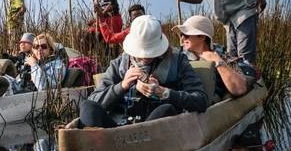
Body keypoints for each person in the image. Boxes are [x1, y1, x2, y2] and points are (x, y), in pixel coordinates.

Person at [76, 15, 207, 128]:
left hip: (154, 130)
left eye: (150, 53)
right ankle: (103, 145)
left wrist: (164, 93)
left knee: (167, 110)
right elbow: (94, 100)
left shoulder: (177, 60)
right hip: (117, 129)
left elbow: (200, 100)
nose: (145, 57)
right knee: (87, 106)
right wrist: (122, 86)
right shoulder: (119, 64)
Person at [172, 15, 258, 100]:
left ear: (202, 37)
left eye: (186, 35)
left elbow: (240, 89)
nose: (182, 38)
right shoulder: (180, 56)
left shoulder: (222, 56)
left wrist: (218, 61)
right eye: (181, 35)